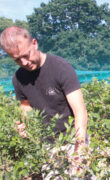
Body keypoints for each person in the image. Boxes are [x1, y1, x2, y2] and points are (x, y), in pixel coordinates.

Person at [0, 26, 88, 174]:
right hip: (46, 147)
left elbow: (80, 112)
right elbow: (25, 108)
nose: (24, 62)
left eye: (26, 55)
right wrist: (25, 126)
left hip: (72, 141)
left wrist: (79, 150)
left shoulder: (60, 68)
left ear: (34, 43)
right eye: (17, 60)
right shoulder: (18, 78)